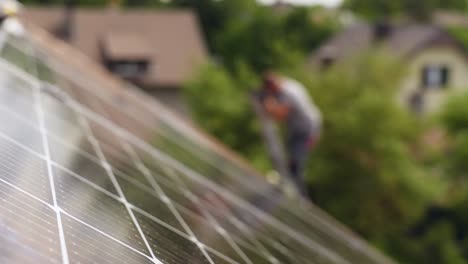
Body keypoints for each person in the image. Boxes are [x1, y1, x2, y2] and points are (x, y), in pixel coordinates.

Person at [260, 72, 322, 197]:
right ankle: (291, 188)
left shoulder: (289, 92)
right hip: (300, 128)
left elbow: (282, 115)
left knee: (295, 162)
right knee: (291, 160)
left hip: (306, 129)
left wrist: (269, 108)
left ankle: (301, 196)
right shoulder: (287, 85)